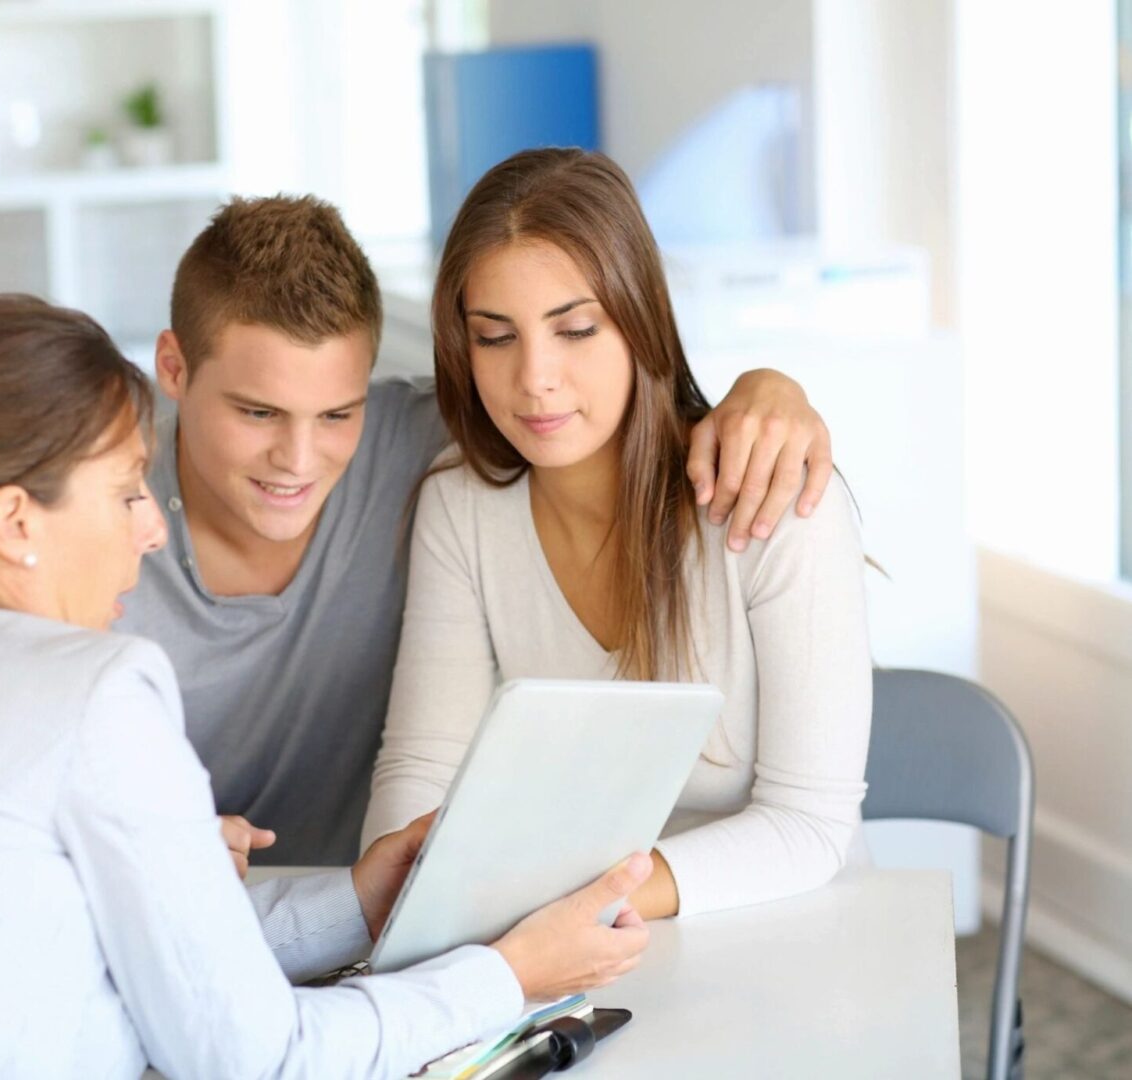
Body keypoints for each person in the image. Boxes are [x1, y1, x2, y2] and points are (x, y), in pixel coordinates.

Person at [0, 295, 656, 1079]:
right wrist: (511, 974)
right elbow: (256, 1057)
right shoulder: (86, 687)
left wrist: (360, 902)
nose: (150, 527)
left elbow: (142, 964)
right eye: (129, 487)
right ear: (14, 524)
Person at [119, 194, 838, 867]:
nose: (299, 460)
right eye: (257, 413)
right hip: (160, 901)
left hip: (350, 911)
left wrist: (770, 388)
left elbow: (585, 405)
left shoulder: (429, 443)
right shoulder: (88, 512)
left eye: (338, 413)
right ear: (173, 369)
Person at [362, 149, 872, 919]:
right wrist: (400, 905)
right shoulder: (460, 505)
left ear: (640, 322)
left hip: (778, 926)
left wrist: (587, 907)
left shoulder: (774, 501)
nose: (535, 377)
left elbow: (808, 826)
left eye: (574, 330)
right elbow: (423, 766)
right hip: (557, 939)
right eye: (495, 337)